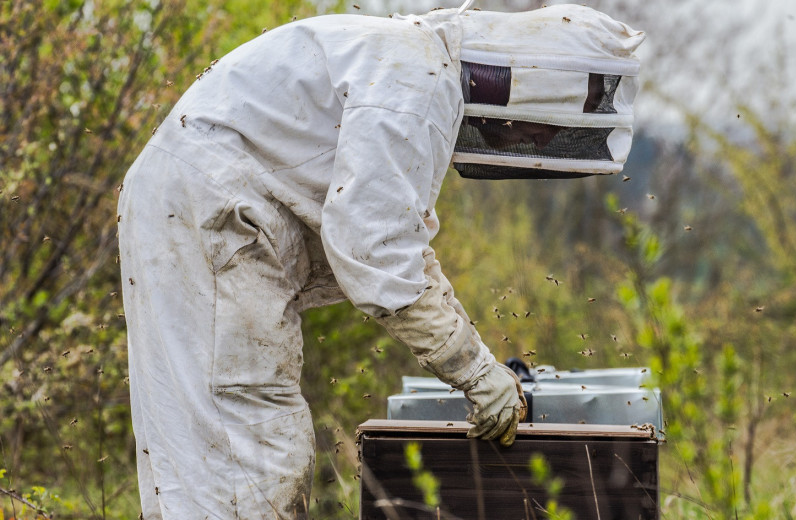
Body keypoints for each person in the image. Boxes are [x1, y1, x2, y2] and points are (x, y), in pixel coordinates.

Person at [117, 2, 643, 518]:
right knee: (251, 446)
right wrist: (478, 373)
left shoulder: (415, 67)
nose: (537, 138)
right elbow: (378, 252)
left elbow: (402, 245)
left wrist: (476, 362)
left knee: (217, 445)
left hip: (203, 210)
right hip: (211, 216)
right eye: (545, 124)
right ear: (536, 83)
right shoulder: (415, 81)